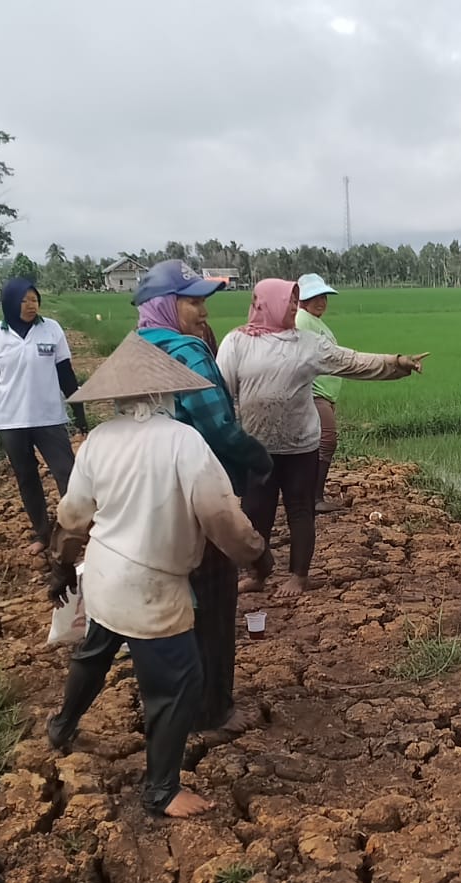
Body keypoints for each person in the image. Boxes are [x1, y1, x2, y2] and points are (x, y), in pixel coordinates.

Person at [44, 332, 268, 819]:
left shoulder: (99, 440)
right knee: (180, 682)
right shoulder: (184, 441)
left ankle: (61, 725)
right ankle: (161, 790)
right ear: (167, 393)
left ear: (118, 398)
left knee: (95, 652)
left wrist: (60, 564)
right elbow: (220, 515)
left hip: (104, 575)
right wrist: (255, 553)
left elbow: (74, 513)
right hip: (152, 589)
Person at [216, 278, 428, 599]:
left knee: (301, 510)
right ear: (264, 304)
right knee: (256, 512)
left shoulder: (307, 343)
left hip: (300, 445)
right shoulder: (237, 342)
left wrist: (395, 363)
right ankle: (257, 573)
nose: (292, 306)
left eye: (294, 301)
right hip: (256, 447)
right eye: (288, 301)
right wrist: (231, 436)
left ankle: (298, 576)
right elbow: (223, 391)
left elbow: (352, 361)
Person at [132, 259, 274, 734]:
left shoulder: (134, 350)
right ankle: (214, 711)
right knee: (213, 606)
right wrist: (258, 459)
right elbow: (220, 429)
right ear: (165, 306)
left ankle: (173, 704)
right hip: (197, 498)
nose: (203, 312)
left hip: (149, 501)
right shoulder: (187, 352)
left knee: (172, 606)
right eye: (192, 302)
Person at [0, 277, 89, 555]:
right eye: (24, 300)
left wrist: (80, 414)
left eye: (34, 299)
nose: (31, 305)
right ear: (10, 302)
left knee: (67, 473)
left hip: (49, 417)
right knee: (27, 478)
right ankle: (42, 533)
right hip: (11, 421)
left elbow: (66, 375)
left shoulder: (51, 329)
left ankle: (77, 531)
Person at [293, 273, 344, 513]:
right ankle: (314, 498)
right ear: (302, 300)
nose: (321, 301)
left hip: (323, 393)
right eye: (314, 297)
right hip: (314, 392)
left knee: (315, 444)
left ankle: (306, 494)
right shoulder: (302, 319)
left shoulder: (313, 321)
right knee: (327, 441)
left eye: (323, 297)